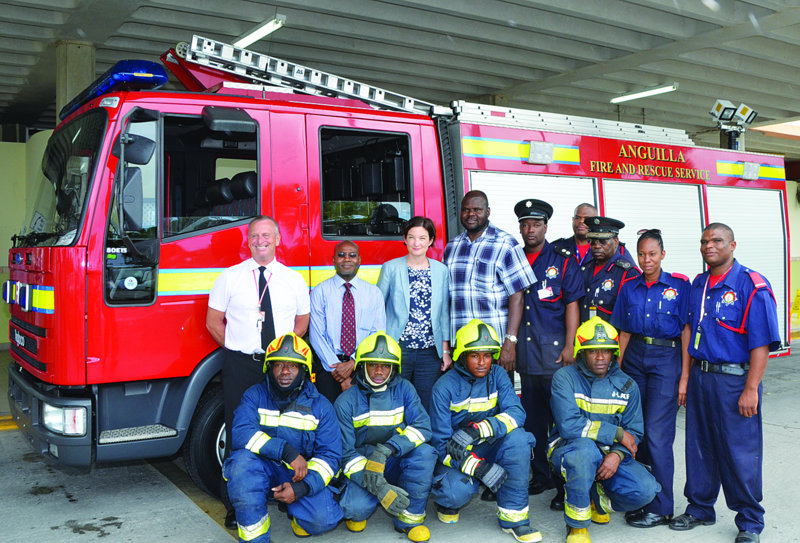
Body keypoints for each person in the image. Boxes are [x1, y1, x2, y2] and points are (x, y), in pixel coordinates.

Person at [669, 223, 780, 543]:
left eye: (717, 241)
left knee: (739, 451)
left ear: (733, 245)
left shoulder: (751, 285)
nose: (709, 246)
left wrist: (751, 389)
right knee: (699, 445)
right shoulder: (698, 284)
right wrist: (686, 379)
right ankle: (700, 507)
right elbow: (689, 332)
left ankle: (749, 520)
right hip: (702, 378)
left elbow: (760, 343)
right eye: (704, 241)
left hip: (735, 382)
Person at [207, 215, 311, 528]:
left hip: (280, 366)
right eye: (255, 236)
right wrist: (238, 347)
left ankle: (284, 495)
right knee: (239, 432)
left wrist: (285, 356)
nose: (260, 240)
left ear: (278, 239)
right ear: (248, 240)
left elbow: (302, 322)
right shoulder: (230, 277)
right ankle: (236, 505)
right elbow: (213, 321)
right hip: (241, 364)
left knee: (284, 429)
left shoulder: (293, 279)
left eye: (266, 235)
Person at [549, 317, 660, 543]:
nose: (600, 358)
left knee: (645, 489)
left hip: (609, 453)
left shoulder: (627, 385)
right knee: (584, 454)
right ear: (581, 352)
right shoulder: (564, 378)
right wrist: (617, 433)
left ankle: (596, 497)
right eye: (593, 352)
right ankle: (576, 527)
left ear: (614, 353)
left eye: (606, 351)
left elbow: (634, 432)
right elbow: (569, 426)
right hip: (569, 450)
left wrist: (616, 456)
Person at [429, 319, 542, 543]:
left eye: (487, 355)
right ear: (462, 356)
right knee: (454, 494)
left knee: (519, 440)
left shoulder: (498, 375)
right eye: (475, 355)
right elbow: (440, 446)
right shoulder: (443, 387)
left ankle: (515, 520)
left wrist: (479, 430)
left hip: (489, 443)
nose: (482, 362)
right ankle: (444, 501)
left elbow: (516, 414)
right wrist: (479, 469)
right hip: (456, 453)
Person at [224, 333, 343, 543]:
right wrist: (286, 451)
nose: (285, 371)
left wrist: (301, 488)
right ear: (269, 368)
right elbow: (241, 433)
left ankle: (294, 507)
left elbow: (331, 457)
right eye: (278, 364)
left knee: (323, 520)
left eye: (293, 366)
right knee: (241, 467)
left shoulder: (321, 406)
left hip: (299, 475)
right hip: (261, 468)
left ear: (304, 371)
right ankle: (255, 538)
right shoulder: (254, 395)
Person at [610, 228, 691, 527]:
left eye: (652, 254)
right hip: (634, 361)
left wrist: (684, 378)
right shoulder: (629, 286)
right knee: (636, 431)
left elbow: (686, 332)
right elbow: (624, 331)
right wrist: (615, 370)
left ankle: (662, 506)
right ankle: (642, 498)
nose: (646, 260)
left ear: (663, 255)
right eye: (642, 254)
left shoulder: (680, 286)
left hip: (666, 361)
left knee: (658, 436)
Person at [512, 199, 583, 509]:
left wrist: (571, 346)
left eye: (536, 224)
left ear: (546, 227)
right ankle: (541, 476)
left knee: (562, 424)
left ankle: (563, 484)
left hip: (555, 358)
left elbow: (572, 305)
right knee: (534, 424)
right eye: (525, 224)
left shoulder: (563, 261)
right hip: (527, 357)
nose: (530, 229)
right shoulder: (514, 258)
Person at [335, 332, 437, 542]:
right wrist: (380, 486)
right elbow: (346, 455)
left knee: (425, 453)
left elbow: (422, 427)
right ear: (362, 366)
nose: (379, 371)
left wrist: (388, 449)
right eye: (373, 364)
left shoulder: (405, 389)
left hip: (394, 457)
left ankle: (410, 520)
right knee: (355, 509)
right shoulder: (345, 402)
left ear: (394, 368)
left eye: (386, 365)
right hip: (363, 464)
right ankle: (372, 497)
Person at [444, 190, 536, 373]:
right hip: (461, 347)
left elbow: (517, 296)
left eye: (477, 209)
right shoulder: (451, 247)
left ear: (488, 212)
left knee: (499, 399)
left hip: (494, 348)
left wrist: (510, 343)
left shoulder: (506, 243)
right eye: (466, 210)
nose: (471, 214)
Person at [377, 216, 451, 412]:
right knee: (394, 398)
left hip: (429, 351)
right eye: (411, 237)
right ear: (405, 239)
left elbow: (443, 313)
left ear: (431, 240)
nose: (416, 243)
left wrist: (445, 351)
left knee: (425, 402)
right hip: (398, 348)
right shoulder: (391, 268)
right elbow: (378, 308)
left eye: (422, 238)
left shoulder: (441, 270)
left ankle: (422, 440)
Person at [310, 241, 386, 403]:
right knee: (327, 417)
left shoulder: (374, 293)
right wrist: (339, 372)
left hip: (362, 367)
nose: (346, 259)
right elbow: (317, 335)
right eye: (341, 255)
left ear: (359, 260)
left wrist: (353, 363)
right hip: (328, 368)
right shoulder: (320, 291)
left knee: (361, 418)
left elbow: (377, 333)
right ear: (333, 260)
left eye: (352, 255)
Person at [579, 216, 640, 323]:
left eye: (603, 241)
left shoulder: (627, 273)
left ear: (616, 241)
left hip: (612, 338)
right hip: (583, 337)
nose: (596, 246)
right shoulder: (585, 268)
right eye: (593, 241)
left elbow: (633, 317)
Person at [553, 203, 635, 267]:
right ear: (573, 220)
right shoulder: (557, 247)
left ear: (595, 221)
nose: (581, 221)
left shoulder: (616, 248)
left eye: (586, 219)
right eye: (578, 218)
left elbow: (632, 277)